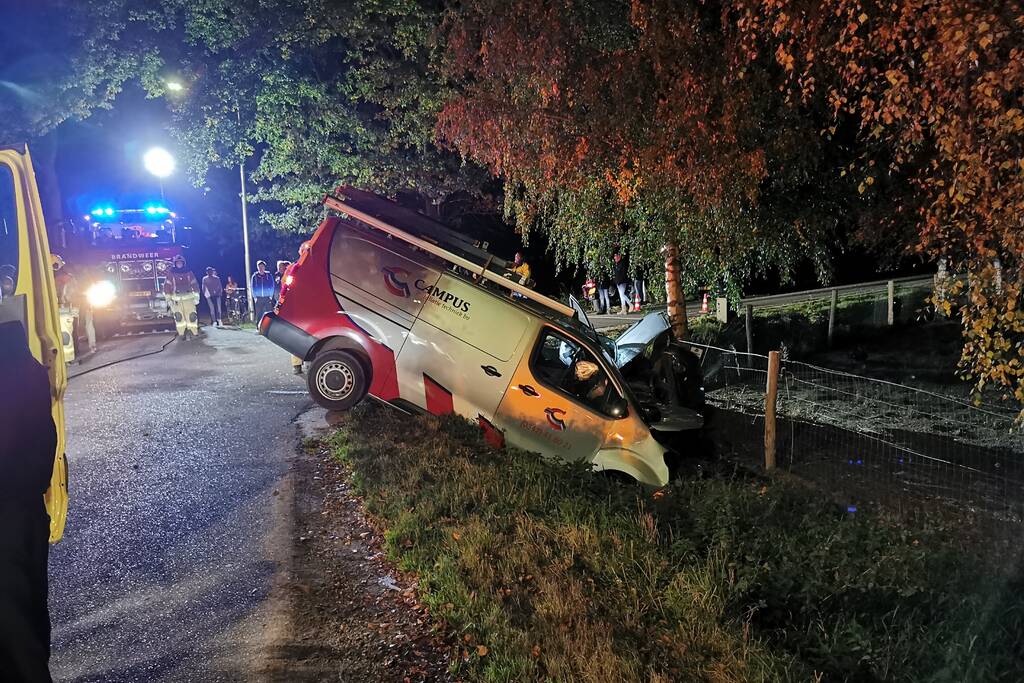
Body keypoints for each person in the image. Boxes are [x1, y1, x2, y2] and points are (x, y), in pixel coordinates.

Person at [0, 321, 59, 683]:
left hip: (10, 519)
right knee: (25, 629)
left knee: (16, 640)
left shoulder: (14, 370)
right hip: (20, 517)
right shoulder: (21, 365)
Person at [281, 242, 310, 375]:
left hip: (301, 306)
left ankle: (299, 364)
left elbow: (285, 285)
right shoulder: (295, 268)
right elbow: (286, 285)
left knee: (299, 334)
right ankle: (300, 363)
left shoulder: (295, 267)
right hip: (302, 305)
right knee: (304, 333)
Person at [162, 255, 200, 340]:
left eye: (181, 262)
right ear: (175, 263)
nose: (179, 264)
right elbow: (167, 286)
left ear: (183, 263)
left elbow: (195, 284)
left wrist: (197, 297)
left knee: (192, 316)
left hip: (189, 299)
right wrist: (168, 299)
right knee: (179, 317)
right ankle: (181, 333)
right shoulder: (171, 273)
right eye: (178, 263)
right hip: (176, 301)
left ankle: (193, 332)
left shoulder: (189, 272)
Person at [612, 247, 630, 315]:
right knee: (621, 296)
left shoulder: (622, 263)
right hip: (618, 282)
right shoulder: (616, 264)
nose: (615, 258)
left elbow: (623, 273)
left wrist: (619, 281)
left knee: (622, 295)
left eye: (615, 256)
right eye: (614, 256)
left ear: (619, 256)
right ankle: (623, 309)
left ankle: (629, 305)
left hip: (622, 282)